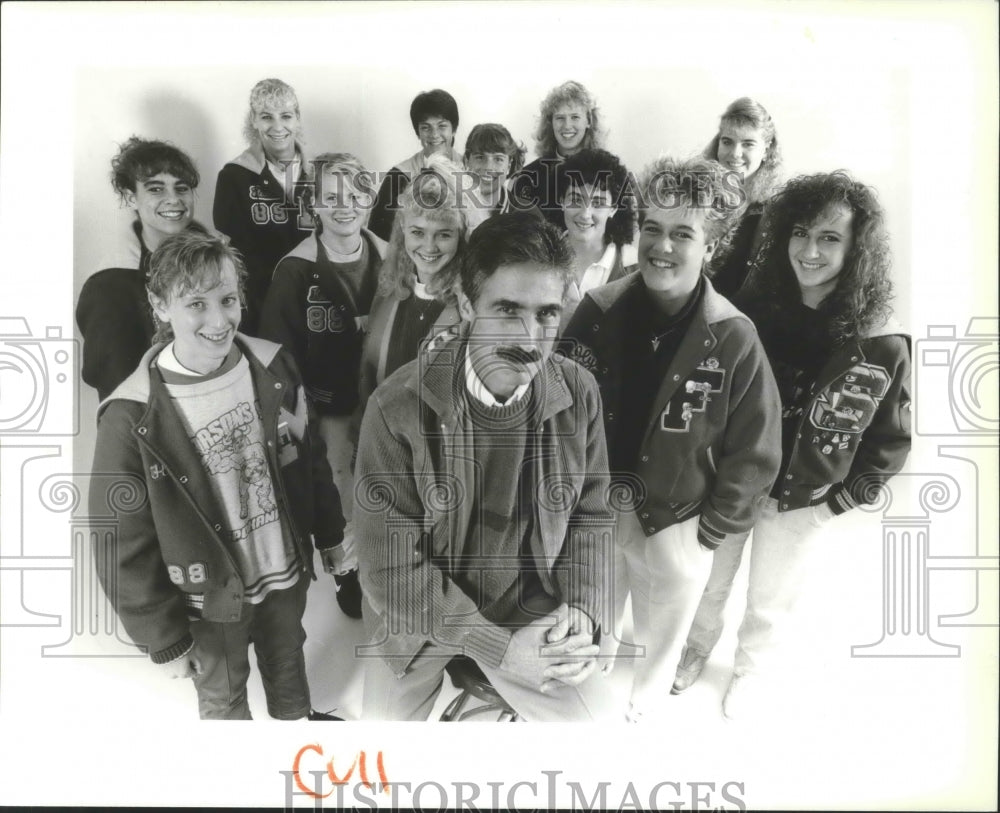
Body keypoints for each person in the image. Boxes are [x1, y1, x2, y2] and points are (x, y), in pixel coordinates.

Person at [355, 211, 616, 721]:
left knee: (599, 736)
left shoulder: (579, 390)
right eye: (507, 309)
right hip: (422, 615)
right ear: (465, 304)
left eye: (546, 313)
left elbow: (593, 510)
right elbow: (391, 574)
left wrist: (584, 603)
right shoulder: (396, 408)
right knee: (380, 755)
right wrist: (495, 649)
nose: (530, 336)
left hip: (530, 602)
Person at [671, 171, 912, 719]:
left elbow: (890, 439)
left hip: (803, 498)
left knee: (771, 600)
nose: (810, 250)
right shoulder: (751, 309)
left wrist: (838, 501)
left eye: (830, 238)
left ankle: (752, 670)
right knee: (709, 581)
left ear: (856, 250)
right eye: (800, 232)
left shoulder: (879, 339)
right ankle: (694, 648)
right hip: (733, 480)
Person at [89, 230, 347, 720]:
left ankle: (296, 739)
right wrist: (162, 637)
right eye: (196, 304)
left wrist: (331, 533)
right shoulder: (129, 415)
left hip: (282, 574)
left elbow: (309, 457)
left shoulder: (273, 365)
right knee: (223, 695)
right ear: (160, 305)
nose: (219, 319)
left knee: (287, 662)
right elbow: (119, 541)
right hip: (206, 601)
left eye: (228, 299)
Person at [560, 156, 782, 722]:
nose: (662, 246)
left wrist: (712, 527)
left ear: (712, 245)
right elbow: (557, 404)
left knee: (664, 621)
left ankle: (644, 704)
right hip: (601, 506)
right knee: (593, 605)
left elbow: (756, 447)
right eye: (653, 229)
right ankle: (589, 687)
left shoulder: (734, 334)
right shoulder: (597, 309)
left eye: (683, 233)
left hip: (680, 517)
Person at [259, 153, 386, 619]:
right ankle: (346, 572)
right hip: (326, 407)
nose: (345, 206)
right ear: (312, 205)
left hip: (381, 403)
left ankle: (386, 563)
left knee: (382, 483)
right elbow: (277, 352)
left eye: (355, 195)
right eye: (331, 197)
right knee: (336, 489)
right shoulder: (294, 269)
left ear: (370, 200)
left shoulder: (392, 256)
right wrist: (297, 411)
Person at [76, 136, 207, 401]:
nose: (174, 200)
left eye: (181, 188)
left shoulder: (221, 257)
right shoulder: (110, 284)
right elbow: (118, 390)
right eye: (156, 189)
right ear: (131, 197)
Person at [358, 160, 466, 411]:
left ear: (461, 237)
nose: (429, 247)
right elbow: (368, 371)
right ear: (402, 230)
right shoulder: (389, 290)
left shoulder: (469, 303)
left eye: (444, 234)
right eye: (418, 232)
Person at [213, 78, 314, 335]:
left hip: (316, 300)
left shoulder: (321, 174)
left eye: (286, 116)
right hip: (262, 305)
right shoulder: (234, 176)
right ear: (254, 121)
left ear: (297, 119)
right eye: (267, 117)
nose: (278, 126)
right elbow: (236, 255)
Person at [701, 97, 781, 299]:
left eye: (748, 144)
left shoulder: (778, 210)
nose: (735, 153)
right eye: (727, 142)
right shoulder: (697, 193)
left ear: (767, 149)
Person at [367, 88, 462, 242]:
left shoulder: (471, 168)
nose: (434, 134)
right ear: (418, 132)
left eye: (442, 126)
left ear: (454, 128)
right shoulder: (399, 176)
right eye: (426, 127)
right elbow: (378, 236)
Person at [555, 148, 637, 324]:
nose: (586, 213)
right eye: (576, 199)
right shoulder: (538, 259)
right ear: (561, 201)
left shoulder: (635, 268)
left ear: (614, 208)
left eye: (598, 203)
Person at [511, 80, 605, 230]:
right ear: (551, 123)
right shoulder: (528, 176)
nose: (567, 126)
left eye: (575, 117)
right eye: (560, 118)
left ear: (588, 121)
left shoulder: (606, 171)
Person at [461, 122, 527, 233]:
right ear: (467, 161)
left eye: (498, 159)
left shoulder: (526, 215)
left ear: (509, 165)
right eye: (480, 157)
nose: (488, 168)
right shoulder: (451, 210)